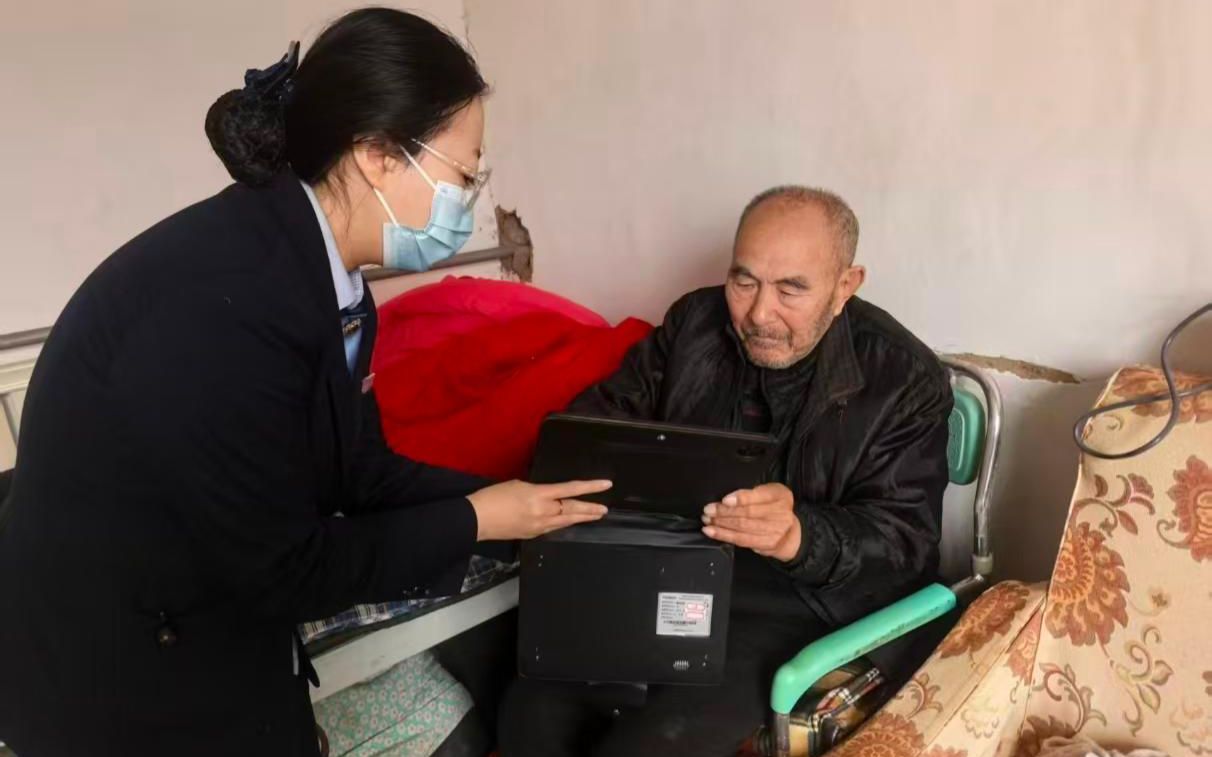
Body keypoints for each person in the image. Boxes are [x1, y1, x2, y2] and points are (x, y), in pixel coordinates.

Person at [0, 9, 609, 756]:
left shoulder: (330, 282)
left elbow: (359, 466)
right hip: (116, 679)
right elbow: (288, 569)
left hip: (203, 617)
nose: (469, 201)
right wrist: (474, 521)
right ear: (378, 154)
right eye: (464, 174)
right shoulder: (225, 303)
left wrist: (505, 501)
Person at [498, 186, 953, 756]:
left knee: (649, 747)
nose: (759, 314)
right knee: (532, 715)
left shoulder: (904, 379)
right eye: (744, 282)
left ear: (845, 286)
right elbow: (599, 426)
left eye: (791, 289)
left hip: (795, 608)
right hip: (672, 569)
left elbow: (906, 545)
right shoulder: (695, 323)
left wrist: (800, 536)